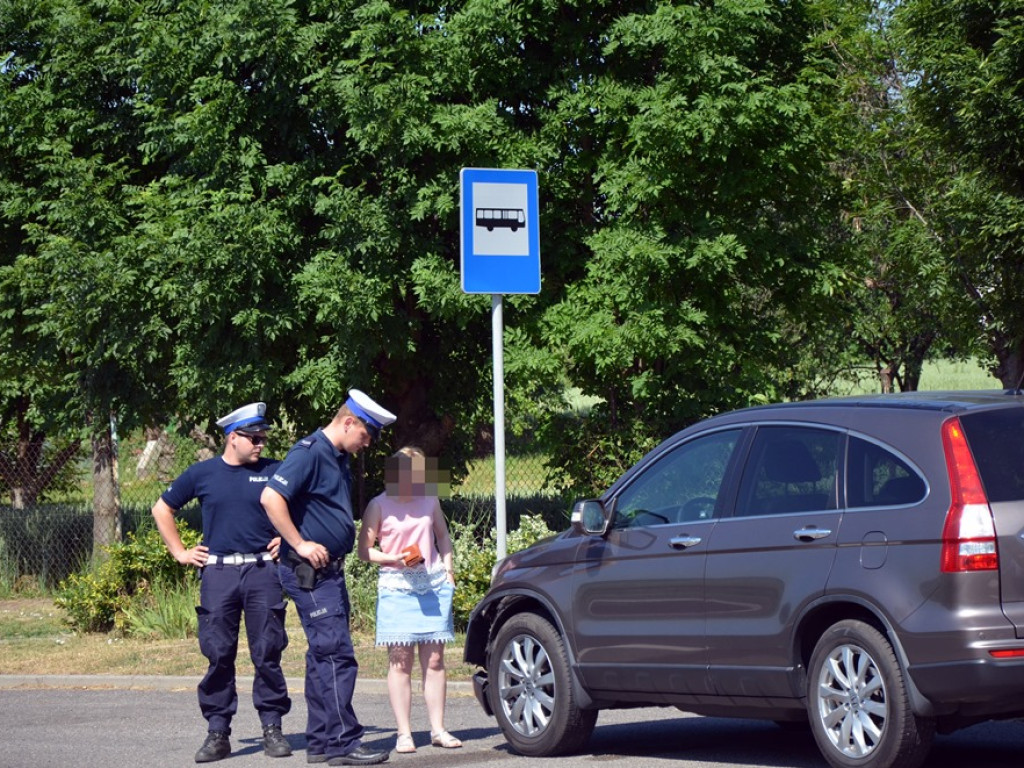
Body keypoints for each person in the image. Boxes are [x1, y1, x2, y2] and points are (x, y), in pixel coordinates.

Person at [151, 402, 292, 764]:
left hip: (262, 571)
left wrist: (289, 538)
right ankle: (217, 732)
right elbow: (161, 508)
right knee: (218, 653)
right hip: (219, 574)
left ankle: (272, 727)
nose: (261, 444)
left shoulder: (274, 471)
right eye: (254, 438)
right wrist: (180, 552)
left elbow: (304, 506)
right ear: (233, 438)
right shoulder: (203, 473)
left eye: (263, 437)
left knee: (268, 652)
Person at [261, 389, 396, 766]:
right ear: (349, 422)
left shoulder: (337, 457)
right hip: (310, 574)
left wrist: (299, 534)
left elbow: (308, 505)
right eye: (366, 434)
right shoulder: (309, 452)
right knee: (336, 653)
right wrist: (299, 542)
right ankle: (342, 742)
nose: (367, 443)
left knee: (323, 655)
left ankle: (321, 742)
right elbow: (271, 498)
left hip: (328, 573)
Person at [356, 446, 461, 754]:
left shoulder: (430, 500)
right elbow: (364, 551)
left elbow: (443, 537)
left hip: (432, 585)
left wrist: (449, 571)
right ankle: (404, 733)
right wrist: (394, 558)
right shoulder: (378, 504)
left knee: (435, 660)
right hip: (397, 588)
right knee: (400, 661)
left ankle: (438, 729)